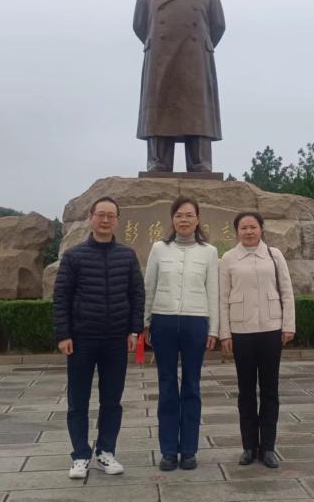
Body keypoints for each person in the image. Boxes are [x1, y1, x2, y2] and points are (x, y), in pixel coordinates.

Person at [52, 197, 145, 479]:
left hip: (116, 339)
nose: (105, 220)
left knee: (112, 400)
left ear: (117, 220)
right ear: (91, 217)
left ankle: (106, 451)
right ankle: (80, 455)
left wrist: (134, 330)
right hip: (82, 339)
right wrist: (63, 334)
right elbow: (61, 297)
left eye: (111, 216)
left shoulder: (127, 256)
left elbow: (137, 294)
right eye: (100, 214)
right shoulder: (74, 256)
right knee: (78, 401)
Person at [133, 0, 226, 173]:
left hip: (195, 58)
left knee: (197, 109)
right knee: (160, 107)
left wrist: (199, 47)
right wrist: (159, 45)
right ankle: (159, 161)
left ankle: (199, 161)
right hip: (160, 58)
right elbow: (140, 25)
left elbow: (217, 25)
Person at [143, 196, 219, 470]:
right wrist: (146, 322)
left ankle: (188, 450)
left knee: (191, 385)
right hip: (163, 321)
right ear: (172, 219)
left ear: (197, 219)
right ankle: (168, 451)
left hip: (195, 322)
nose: (184, 220)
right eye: (179, 215)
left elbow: (213, 291)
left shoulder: (209, 251)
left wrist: (214, 329)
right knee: (166, 385)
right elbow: (149, 286)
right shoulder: (159, 248)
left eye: (189, 215)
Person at [218, 212, 296, 469]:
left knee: (270, 389)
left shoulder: (274, 255)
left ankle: (268, 447)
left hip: (271, 329)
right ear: (236, 231)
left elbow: (287, 292)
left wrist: (288, 325)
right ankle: (249, 447)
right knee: (246, 391)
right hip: (242, 331)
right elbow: (223, 298)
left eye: (253, 227)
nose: (249, 232)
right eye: (243, 228)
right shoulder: (228, 258)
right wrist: (225, 333)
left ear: (261, 229)